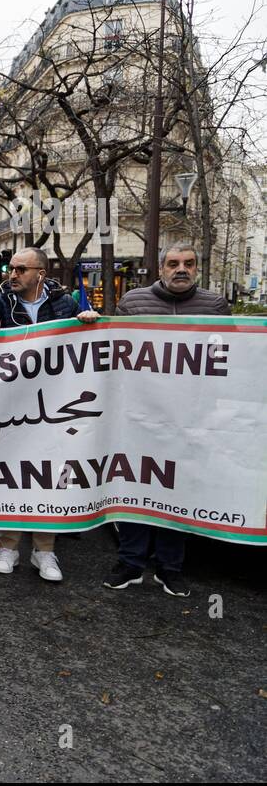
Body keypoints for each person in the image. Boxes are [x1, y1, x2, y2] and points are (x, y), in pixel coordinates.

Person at [0, 246, 98, 581]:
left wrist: (89, 321)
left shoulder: (64, 303)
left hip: (55, 404)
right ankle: (9, 546)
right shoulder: (0, 301)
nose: (13, 274)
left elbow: (86, 344)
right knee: (11, 471)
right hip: (11, 405)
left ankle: (45, 551)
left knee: (50, 473)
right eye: (12, 268)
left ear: (40, 274)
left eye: (21, 269)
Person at [100, 243, 229, 598]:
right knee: (136, 483)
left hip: (191, 416)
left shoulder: (215, 306)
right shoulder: (134, 303)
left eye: (188, 263)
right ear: (161, 268)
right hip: (140, 414)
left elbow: (226, 359)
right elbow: (115, 351)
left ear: (197, 269)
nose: (181, 269)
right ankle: (130, 562)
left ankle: (170, 568)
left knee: (178, 488)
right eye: (173, 263)